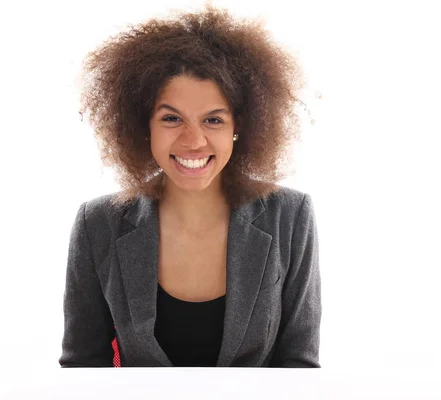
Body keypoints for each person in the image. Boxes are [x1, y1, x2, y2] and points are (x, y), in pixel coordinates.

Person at [59, 6, 321, 368]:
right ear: (143, 125)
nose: (193, 141)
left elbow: (300, 366)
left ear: (238, 126)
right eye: (171, 118)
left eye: (213, 119)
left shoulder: (290, 216)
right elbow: (82, 369)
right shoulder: (98, 223)